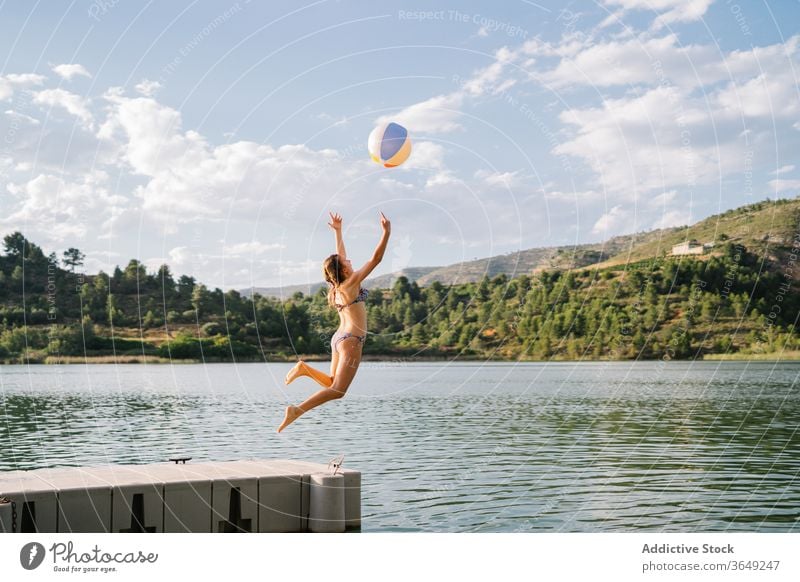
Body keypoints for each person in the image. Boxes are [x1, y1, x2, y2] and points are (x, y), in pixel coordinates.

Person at [278, 210, 391, 432]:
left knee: (331, 384)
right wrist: (386, 233)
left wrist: (338, 232)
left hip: (339, 338)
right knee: (339, 391)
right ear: (343, 269)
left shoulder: (337, 288)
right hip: (351, 340)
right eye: (346, 261)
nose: (349, 260)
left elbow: (339, 254)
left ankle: (304, 369)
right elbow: (376, 259)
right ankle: (297, 411)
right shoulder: (351, 283)